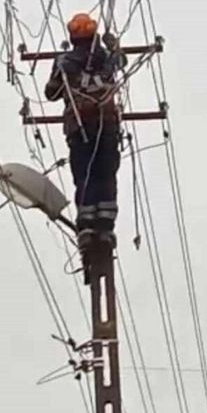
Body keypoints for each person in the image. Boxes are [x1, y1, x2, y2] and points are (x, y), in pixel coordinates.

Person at [45, 13, 127, 248]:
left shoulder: (66, 62)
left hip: (79, 128)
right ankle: (104, 227)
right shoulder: (108, 58)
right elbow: (121, 62)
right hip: (106, 125)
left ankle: (87, 226)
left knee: (85, 175)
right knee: (106, 173)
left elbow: (51, 93)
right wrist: (114, 46)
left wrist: (60, 68)